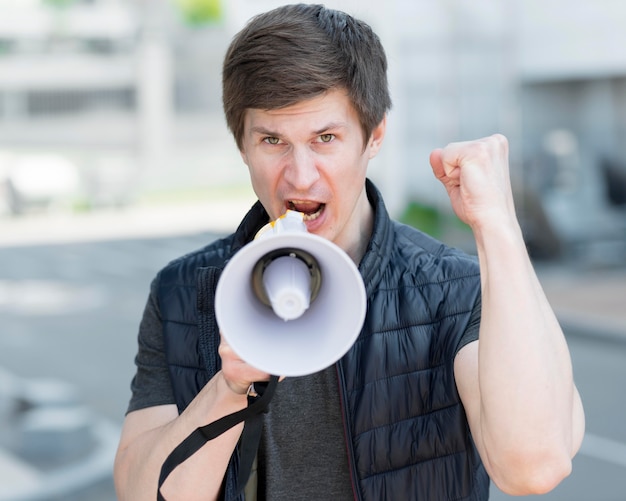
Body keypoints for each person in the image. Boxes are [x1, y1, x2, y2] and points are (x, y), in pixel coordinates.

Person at [113, 4, 585, 500]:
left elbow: (534, 466)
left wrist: (497, 227)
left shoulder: (455, 290)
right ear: (242, 145)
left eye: (326, 138)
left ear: (374, 135)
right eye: (273, 140)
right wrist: (228, 387)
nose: (299, 175)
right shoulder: (183, 292)